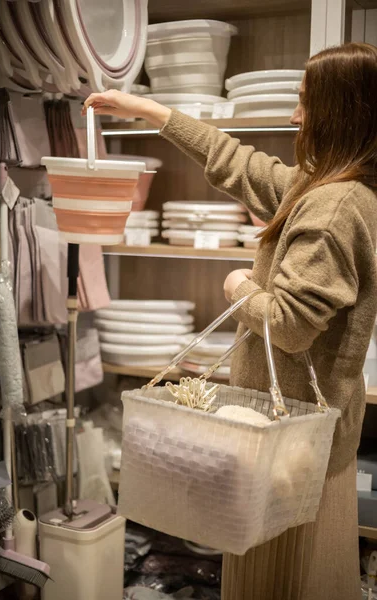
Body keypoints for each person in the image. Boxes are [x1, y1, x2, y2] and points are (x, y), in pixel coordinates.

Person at [84, 43, 377, 600]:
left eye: (305, 103)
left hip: (295, 451)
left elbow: (289, 326)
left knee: (288, 584)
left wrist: (238, 285)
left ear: (343, 111)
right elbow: (239, 162)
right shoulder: (326, 189)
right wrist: (150, 112)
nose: (295, 117)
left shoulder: (334, 206)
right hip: (296, 442)